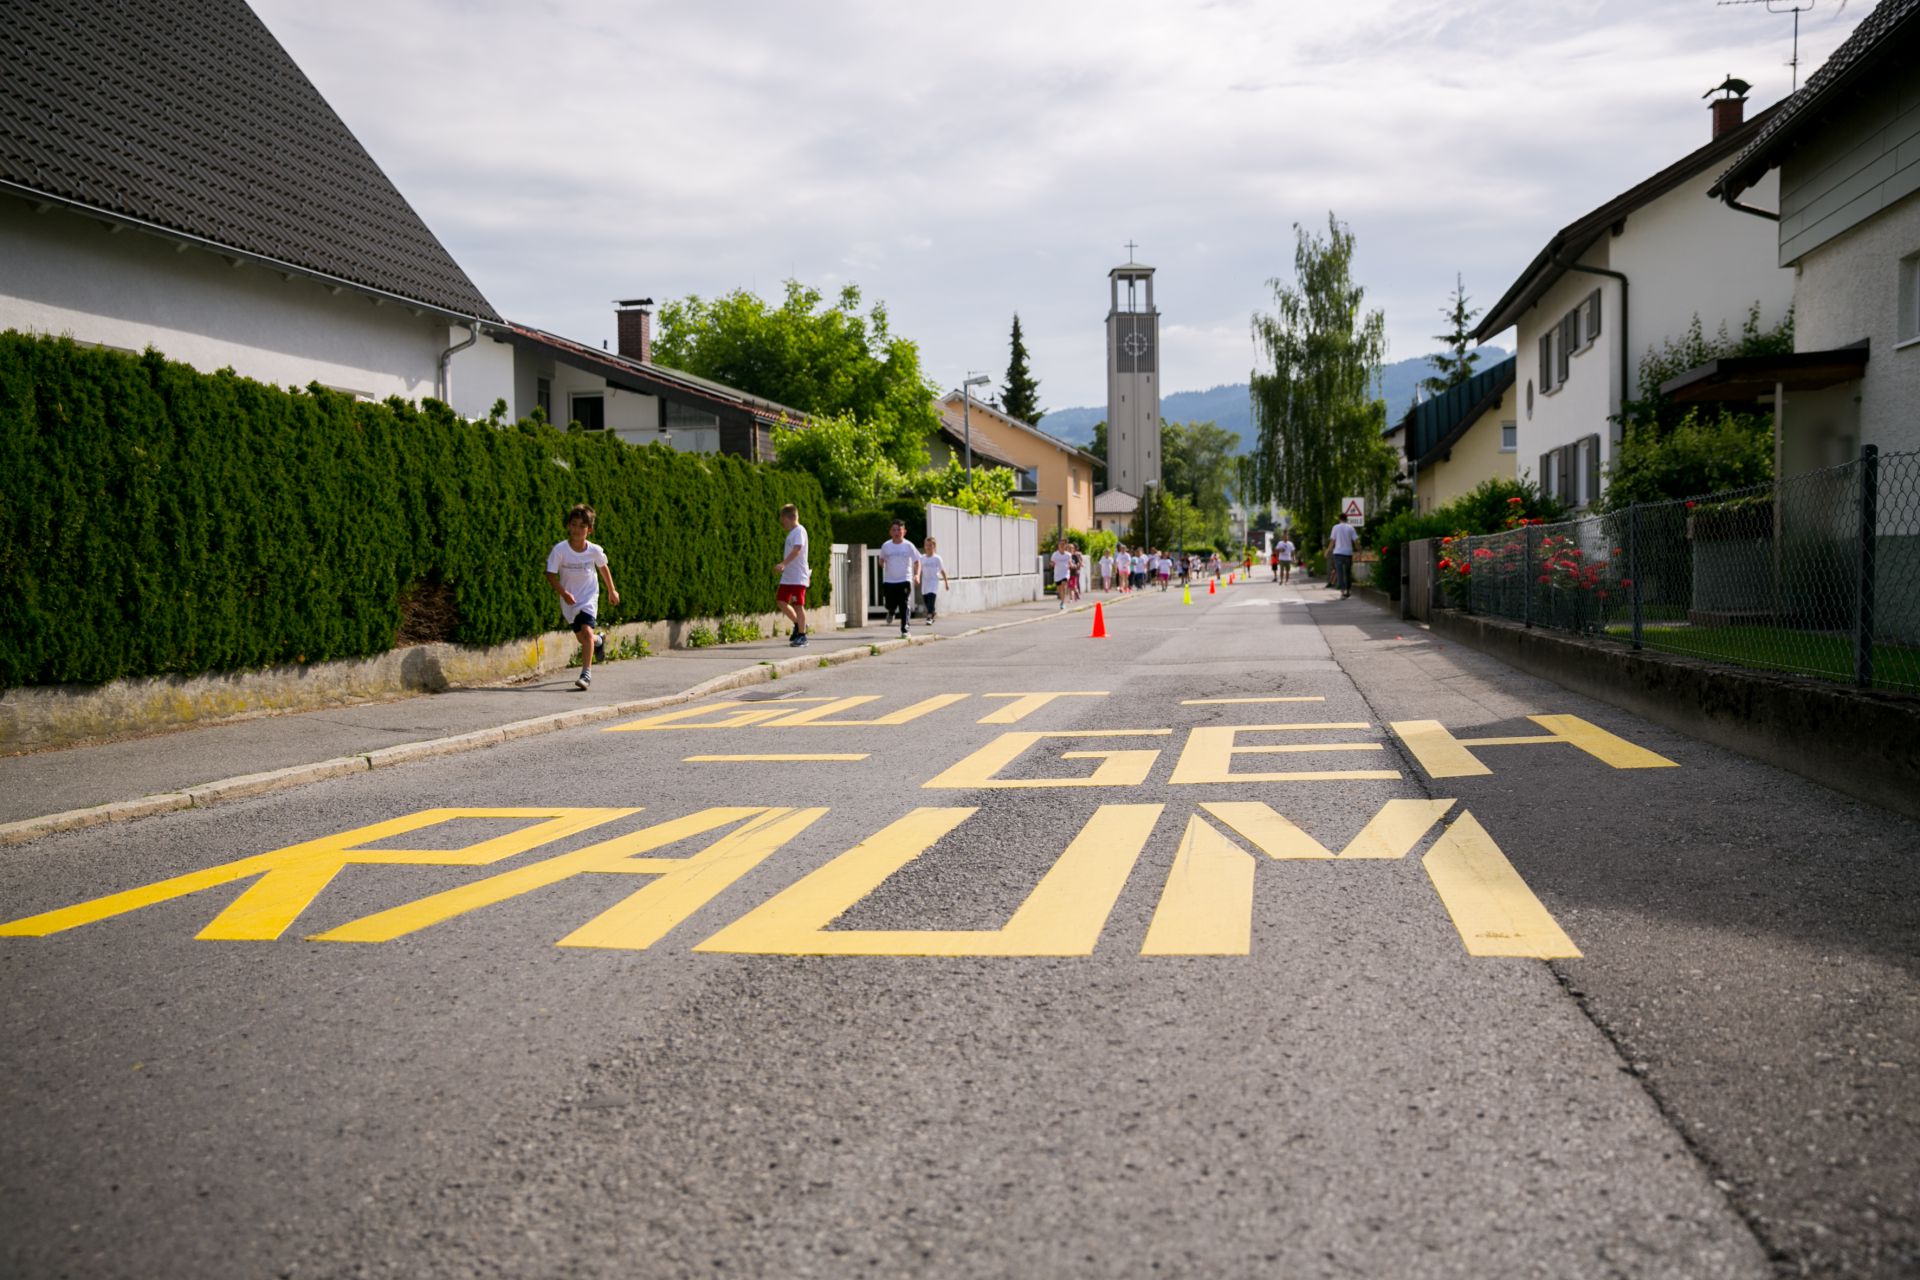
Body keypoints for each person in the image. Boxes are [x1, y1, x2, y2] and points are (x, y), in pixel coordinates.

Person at [546, 503, 620, 691]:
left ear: (590, 530)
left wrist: (612, 590)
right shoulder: (560, 550)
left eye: (582, 526)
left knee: (586, 632)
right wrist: (564, 593)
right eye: (574, 524)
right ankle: (600, 640)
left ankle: (585, 673)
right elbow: (550, 574)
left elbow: (603, 567)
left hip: (588, 597)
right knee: (584, 638)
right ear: (568, 526)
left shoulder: (594, 550)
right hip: (569, 600)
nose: (577, 530)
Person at [774, 502, 811, 647]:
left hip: (798, 577)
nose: (782, 523)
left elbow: (797, 550)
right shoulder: (792, 533)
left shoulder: (800, 531)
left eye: (783, 520)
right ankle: (798, 624)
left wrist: (783, 563)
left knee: (798, 605)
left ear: (790, 518)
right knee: (781, 601)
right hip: (788, 577)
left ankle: (803, 636)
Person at [877, 519, 921, 637]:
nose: (897, 532)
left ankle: (905, 629)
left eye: (899, 530)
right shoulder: (886, 546)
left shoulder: (908, 545)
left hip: (904, 580)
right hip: (889, 581)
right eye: (894, 530)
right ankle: (891, 611)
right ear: (890, 532)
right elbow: (881, 559)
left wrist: (917, 575)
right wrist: (881, 563)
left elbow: (917, 561)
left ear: (904, 531)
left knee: (904, 603)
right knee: (890, 603)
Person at [918, 536, 951, 625]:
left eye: (930, 545)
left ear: (934, 546)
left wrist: (946, 583)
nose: (928, 547)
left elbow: (942, 571)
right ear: (924, 546)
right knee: (926, 601)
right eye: (926, 545)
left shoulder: (937, 558)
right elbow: (918, 569)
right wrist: (917, 577)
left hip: (933, 582)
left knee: (931, 599)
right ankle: (932, 612)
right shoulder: (922, 558)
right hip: (925, 583)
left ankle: (929, 617)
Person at [1327, 517, 1357, 598]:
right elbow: (1356, 540)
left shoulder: (1335, 527)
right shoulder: (1351, 527)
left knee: (1339, 573)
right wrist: (1359, 550)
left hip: (1338, 553)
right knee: (1347, 572)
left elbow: (1332, 541)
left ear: (1339, 519)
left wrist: (1328, 551)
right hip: (1348, 553)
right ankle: (1348, 590)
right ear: (1346, 519)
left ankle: (1342, 592)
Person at [1049, 538, 1075, 609]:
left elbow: (1070, 562)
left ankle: (1062, 602)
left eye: (1063, 544)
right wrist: (1052, 564)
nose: (1061, 545)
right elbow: (1052, 562)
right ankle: (1062, 599)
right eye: (1060, 544)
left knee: (1063, 585)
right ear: (1058, 545)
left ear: (1065, 546)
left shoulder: (1068, 555)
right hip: (1057, 574)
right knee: (1059, 588)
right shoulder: (1055, 554)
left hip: (1065, 573)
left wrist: (1072, 565)